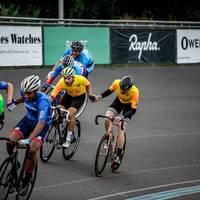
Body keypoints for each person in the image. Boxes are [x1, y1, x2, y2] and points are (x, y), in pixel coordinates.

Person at [6, 75, 52, 194]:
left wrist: (29, 139)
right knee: (10, 141)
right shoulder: (25, 92)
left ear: (36, 91)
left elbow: (41, 123)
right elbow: (23, 98)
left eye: (29, 93)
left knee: (32, 150)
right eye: (24, 93)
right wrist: (15, 102)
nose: (26, 96)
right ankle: (15, 163)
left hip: (40, 126)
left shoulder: (43, 101)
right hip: (27, 121)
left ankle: (26, 179)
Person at [91, 75, 139, 165]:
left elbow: (133, 110)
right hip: (118, 103)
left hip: (128, 108)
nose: (121, 91)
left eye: (124, 90)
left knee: (121, 129)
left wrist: (122, 117)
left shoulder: (135, 91)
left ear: (129, 88)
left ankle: (118, 155)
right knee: (107, 118)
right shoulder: (116, 82)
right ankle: (110, 137)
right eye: (121, 89)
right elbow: (109, 91)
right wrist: (98, 97)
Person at [49, 67, 93, 148]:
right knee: (58, 110)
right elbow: (52, 96)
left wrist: (90, 94)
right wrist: (46, 106)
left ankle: (69, 137)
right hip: (68, 96)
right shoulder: (61, 82)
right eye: (65, 78)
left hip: (79, 97)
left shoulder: (80, 79)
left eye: (68, 78)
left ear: (73, 77)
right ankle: (61, 129)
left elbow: (88, 84)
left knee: (70, 113)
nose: (66, 81)